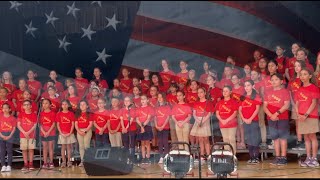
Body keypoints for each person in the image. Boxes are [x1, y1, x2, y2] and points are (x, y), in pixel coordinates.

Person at [263, 73, 290, 165]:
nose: (274, 81)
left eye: (276, 79)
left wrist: (276, 113)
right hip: (271, 118)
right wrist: (271, 115)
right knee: (275, 138)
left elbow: (286, 105)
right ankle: (277, 157)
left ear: (281, 81)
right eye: (272, 80)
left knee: (283, 138)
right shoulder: (268, 92)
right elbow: (265, 106)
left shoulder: (285, 91)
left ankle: (283, 157)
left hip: (282, 118)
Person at [295, 68, 319, 167]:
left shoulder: (313, 87)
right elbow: (296, 104)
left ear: (309, 76)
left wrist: (305, 115)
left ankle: (314, 158)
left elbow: (314, 103)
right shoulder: (299, 89)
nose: (302, 76)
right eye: (301, 74)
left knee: (312, 136)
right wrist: (298, 114)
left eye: (305, 74)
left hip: (311, 116)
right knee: (306, 137)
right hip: (301, 117)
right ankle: (308, 157)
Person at [239, 80, 262, 164]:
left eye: (248, 85)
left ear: (253, 86)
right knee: (248, 139)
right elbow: (240, 110)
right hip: (245, 121)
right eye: (245, 86)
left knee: (254, 139)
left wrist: (250, 119)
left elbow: (257, 109)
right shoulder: (243, 97)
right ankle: (251, 157)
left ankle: (256, 157)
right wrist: (244, 119)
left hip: (254, 121)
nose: (246, 87)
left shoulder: (256, 96)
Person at [288, 60, 307, 151]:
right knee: (298, 124)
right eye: (295, 66)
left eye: (298, 66)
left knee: (305, 123)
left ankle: (306, 142)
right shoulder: (292, 80)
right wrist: (293, 103)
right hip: (295, 105)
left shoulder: (305, 79)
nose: (296, 68)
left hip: (305, 105)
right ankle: (299, 141)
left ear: (302, 67)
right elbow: (290, 92)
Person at [190, 88, 212, 163]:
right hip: (198, 121)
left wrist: (203, 121)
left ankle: (208, 155)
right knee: (200, 139)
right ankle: (202, 156)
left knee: (206, 139)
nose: (199, 94)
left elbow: (209, 113)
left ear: (205, 93)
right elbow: (194, 113)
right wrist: (198, 121)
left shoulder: (208, 102)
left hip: (205, 120)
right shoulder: (196, 103)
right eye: (198, 93)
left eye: (201, 92)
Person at [216, 86, 239, 154]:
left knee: (231, 139)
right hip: (222, 123)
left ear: (230, 92)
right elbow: (217, 113)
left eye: (226, 91)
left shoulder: (233, 102)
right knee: (225, 140)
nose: (225, 92)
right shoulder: (220, 102)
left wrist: (227, 120)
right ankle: (227, 154)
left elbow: (235, 113)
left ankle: (233, 154)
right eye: (223, 91)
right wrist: (222, 120)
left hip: (231, 123)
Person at [17, 100, 37, 171]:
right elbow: (18, 125)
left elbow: (35, 125)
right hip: (23, 135)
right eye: (25, 105)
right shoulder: (21, 114)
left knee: (31, 149)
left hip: (31, 135)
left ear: (31, 106)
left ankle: (31, 164)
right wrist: (25, 133)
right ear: (23, 106)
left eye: (28, 104)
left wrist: (28, 132)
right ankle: (25, 164)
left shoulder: (34, 115)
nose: (27, 106)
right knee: (24, 150)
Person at [56, 99, 77, 168]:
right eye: (63, 104)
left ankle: (69, 161)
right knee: (63, 147)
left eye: (66, 104)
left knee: (69, 147)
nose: (64, 106)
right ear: (61, 105)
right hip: (62, 133)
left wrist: (70, 133)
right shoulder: (59, 114)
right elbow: (58, 125)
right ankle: (63, 161)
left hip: (69, 133)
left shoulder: (71, 114)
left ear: (68, 105)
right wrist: (61, 133)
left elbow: (72, 124)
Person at [135, 94, 154, 164]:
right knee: (142, 143)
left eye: (144, 99)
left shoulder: (149, 108)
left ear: (147, 100)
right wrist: (141, 127)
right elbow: (137, 119)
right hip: (141, 126)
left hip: (147, 126)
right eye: (142, 99)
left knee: (147, 143)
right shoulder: (138, 109)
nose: (143, 100)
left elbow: (148, 118)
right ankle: (143, 158)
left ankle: (148, 157)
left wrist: (143, 126)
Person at [75, 100, 93, 167]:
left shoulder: (89, 114)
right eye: (81, 105)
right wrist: (79, 131)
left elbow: (91, 124)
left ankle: (87, 160)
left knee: (86, 146)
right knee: (81, 146)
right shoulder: (77, 114)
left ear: (87, 106)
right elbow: (76, 124)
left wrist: (85, 131)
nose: (82, 106)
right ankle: (82, 160)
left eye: (84, 104)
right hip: (79, 131)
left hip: (87, 131)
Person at [39, 98, 56, 169]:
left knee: (50, 147)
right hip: (43, 132)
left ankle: (51, 162)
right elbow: (40, 124)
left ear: (50, 105)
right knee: (44, 148)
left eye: (46, 103)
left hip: (51, 132)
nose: (45, 105)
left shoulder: (52, 113)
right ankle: (45, 162)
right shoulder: (41, 113)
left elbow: (53, 123)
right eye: (43, 103)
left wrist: (48, 132)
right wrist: (43, 132)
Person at [154, 93, 171, 164]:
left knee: (165, 141)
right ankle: (161, 157)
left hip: (165, 127)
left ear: (164, 98)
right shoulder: (156, 108)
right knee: (160, 142)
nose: (160, 98)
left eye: (161, 97)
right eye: (158, 97)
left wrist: (163, 126)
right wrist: (156, 126)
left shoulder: (167, 107)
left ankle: (166, 156)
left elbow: (168, 117)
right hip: (158, 127)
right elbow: (155, 117)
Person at [0, 103, 16, 172]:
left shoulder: (12, 118)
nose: (5, 109)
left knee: (9, 150)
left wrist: (9, 136)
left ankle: (9, 165)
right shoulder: (0, 117)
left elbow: (14, 128)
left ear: (9, 109)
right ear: (2, 109)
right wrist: (1, 135)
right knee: (2, 151)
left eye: (7, 108)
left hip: (10, 135)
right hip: (1, 134)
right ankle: (3, 165)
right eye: (4, 108)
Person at [231, 74, 245, 150]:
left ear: (239, 80)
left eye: (235, 79)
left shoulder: (242, 89)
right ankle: (238, 141)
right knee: (236, 127)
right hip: (234, 110)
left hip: (240, 110)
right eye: (232, 79)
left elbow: (243, 100)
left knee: (241, 126)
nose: (233, 80)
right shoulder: (231, 90)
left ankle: (242, 142)